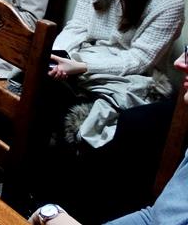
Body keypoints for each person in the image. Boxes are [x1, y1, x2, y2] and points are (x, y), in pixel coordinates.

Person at [47, 0, 184, 148]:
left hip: (133, 75)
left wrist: (83, 66)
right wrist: (56, 55)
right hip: (86, 55)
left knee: (58, 100)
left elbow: (140, 59)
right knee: (36, 77)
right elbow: (78, 26)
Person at [29, 50, 188, 225]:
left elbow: (139, 58)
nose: (179, 62)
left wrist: (82, 66)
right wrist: (51, 213)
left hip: (119, 76)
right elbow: (155, 217)